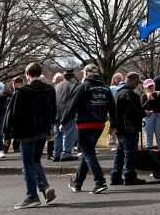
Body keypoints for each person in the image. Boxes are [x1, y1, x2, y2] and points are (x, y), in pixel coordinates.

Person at [3, 62, 58, 209]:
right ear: (39, 74)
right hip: (42, 131)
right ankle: (44, 187)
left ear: (27, 75)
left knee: (28, 164)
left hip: (26, 132)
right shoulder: (50, 90)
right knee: (35, 161)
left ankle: (32, 195)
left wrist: (7, 133)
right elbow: (53, 111)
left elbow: (12, 114)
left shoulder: (22, 92)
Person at [62, 63, 115, 194]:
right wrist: (114, 124)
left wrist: (63, 121)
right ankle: (77, 183)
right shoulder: (106, 88)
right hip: (100, 124)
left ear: (86, 73)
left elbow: (72, 105)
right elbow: (113, 108)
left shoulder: (83, 87)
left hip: (85, 123)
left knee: (87, 153)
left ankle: (99, 181)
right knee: (88, 152)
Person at [111, 72, 146, 185]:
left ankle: (116, 176)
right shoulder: (129, 94)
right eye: (137, 82)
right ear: (133, 80)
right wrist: (144, 113)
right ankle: (129, 176)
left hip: (120, 127)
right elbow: (132, 111)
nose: (137, 85)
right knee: (129, 153)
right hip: (129, 127)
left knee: (120, 152)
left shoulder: (118, 93)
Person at [52, 69, 78, 161]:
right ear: (72, 77)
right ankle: (66, 153)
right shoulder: (73, 86)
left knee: (57, 135)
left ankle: (56, 153)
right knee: (68, 133)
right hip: (67, 113)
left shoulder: (56, 86)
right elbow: (73, 102)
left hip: (56, 114)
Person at [140, 78, 160, 149]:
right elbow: (142, 108)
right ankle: (149, 154)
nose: (151, 88)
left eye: (152, 86)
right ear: (145, 88)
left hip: (158, 116)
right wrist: (148, 100)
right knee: (149, 137)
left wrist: (155, 98)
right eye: (149, 87)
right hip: (148, 117)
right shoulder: (144, 96)